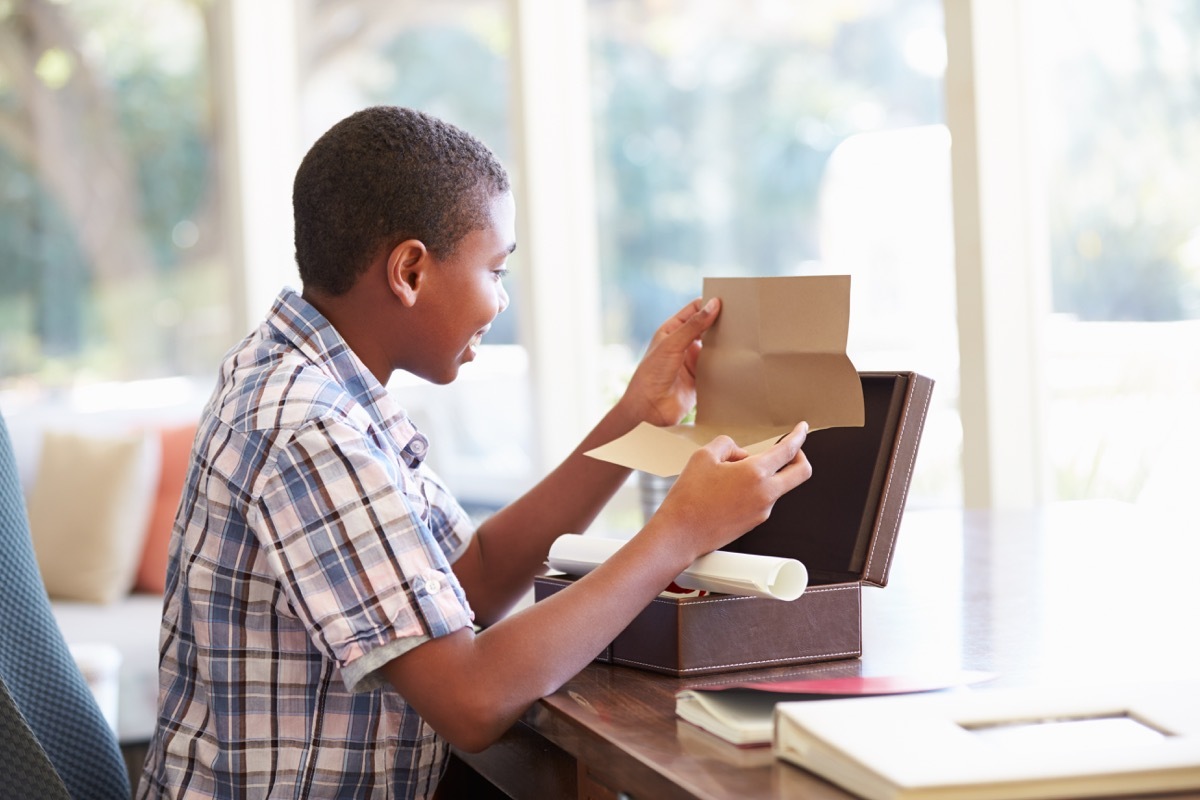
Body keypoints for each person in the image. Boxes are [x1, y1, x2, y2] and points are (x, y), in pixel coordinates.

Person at [138, 106, 812, 799]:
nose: (500, 302)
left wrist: (636, 417)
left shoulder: (319, 382)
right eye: (495, 270)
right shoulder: (310, 428)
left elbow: (475, 577)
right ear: (409, 271)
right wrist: (680, 533)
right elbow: (472, 701)